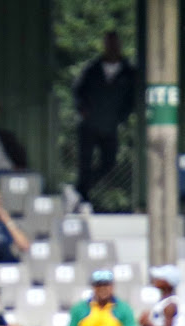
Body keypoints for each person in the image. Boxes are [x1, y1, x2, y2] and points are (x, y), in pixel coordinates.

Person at [72, 30, 135, 203]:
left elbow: (132, 99)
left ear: (120, 45)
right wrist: (82, 109)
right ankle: (82, 198)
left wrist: (121, 117)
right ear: (104, 45)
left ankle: (79, 189)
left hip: (110, 126)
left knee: (109, 162)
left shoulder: (128, 72)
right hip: (89, 126)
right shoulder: (92, 69)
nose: (113, 47)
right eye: (109, 43)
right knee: (84, 164)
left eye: (115, 44)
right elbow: (77, 91)